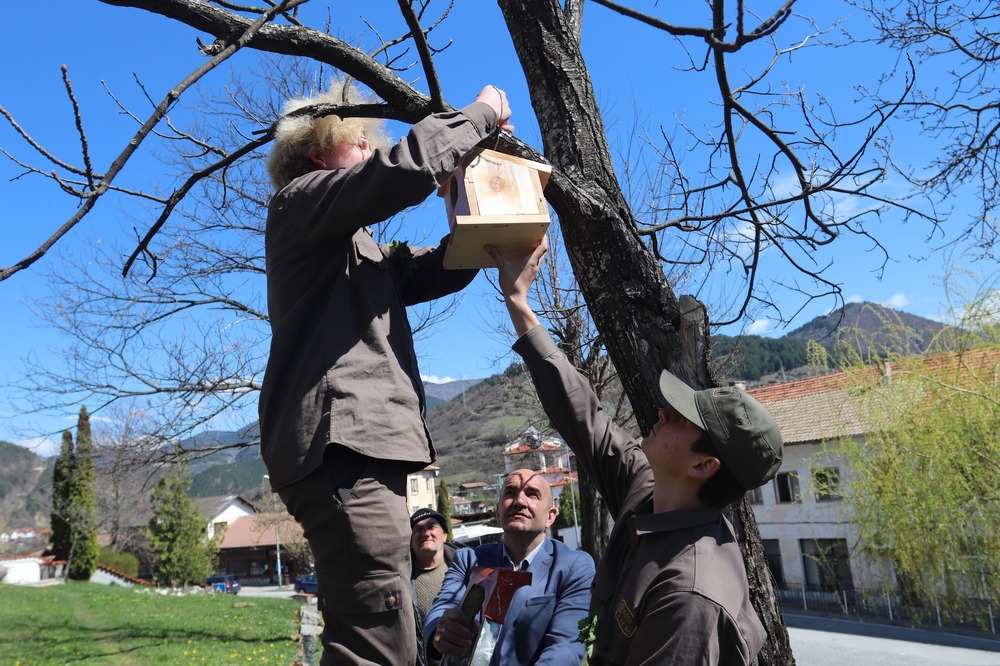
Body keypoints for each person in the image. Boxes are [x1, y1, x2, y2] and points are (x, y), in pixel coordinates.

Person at [258, 80, 514, 666]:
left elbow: (441, 269)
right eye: (361, 141)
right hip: (344, 452)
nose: (373, 149)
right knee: (376, 642)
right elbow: (399, 172)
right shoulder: (299, 202)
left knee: (386, 631)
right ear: (319, 152)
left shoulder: (352, 245)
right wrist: (481, 114)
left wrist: (465, 196)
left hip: (354, 454)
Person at [486, 237, 785, 666]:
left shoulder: (690, 593)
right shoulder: (648, 487)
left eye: (684, 418)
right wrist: (518, 301)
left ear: (704, 465)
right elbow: (582, 414)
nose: (664, 411)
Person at [424, 469, 595, 666]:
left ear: (550, 516)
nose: (519, 501)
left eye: (532, 494)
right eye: (510, 493)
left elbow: (566, 647)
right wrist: (439, 631)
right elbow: (442, 606)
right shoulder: (468, 560)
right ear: (498, 512)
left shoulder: (573, 566)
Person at [410, 508, 461, 666]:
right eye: (418, 529)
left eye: (431, 527)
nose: (425, 534)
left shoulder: (466, 569)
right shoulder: (401, 580)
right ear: (410, 541)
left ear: (444, 535)